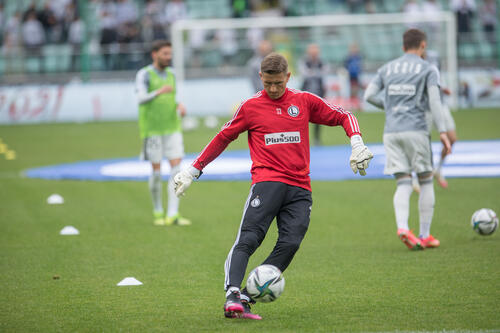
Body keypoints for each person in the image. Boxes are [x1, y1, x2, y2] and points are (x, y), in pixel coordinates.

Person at [173, 53, 373, 319]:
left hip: (300, 188)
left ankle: (246, 296)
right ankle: (232, 294)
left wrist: (356, 142)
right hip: (267, 183)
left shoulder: (303, 101)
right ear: (260, 78)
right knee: (249, 239)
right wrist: (194, 169)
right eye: (268, 84)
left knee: (291, 243)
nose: (274, 89)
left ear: (288, 77)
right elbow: (223, 137)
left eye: (278, 83)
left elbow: (343, 115)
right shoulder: (250, 107)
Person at [364, 29, 451, 251]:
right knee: (425, 180)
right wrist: (442, 131)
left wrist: (392, 108)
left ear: (403, 47)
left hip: (391, 132)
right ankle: (424, 234)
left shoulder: (387, 68)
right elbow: (435, 101)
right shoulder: (428, 68)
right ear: (423, 46)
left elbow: (368, 96)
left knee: (403, 182)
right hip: (416, 130)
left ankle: (403, 227)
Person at [135, 40, 191, 226]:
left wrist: (180, 105)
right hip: (152, 131)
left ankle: (172, 214)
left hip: (172, 128)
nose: (168, 57)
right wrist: (158, 92)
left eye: (170, 54)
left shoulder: (172, 74)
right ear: (155, 54)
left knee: (177, 171)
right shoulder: (144, 74)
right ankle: (158, 210)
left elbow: (174, 98)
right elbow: (141, 99)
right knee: (157, 173)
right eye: (165, 54)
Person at [299, 43, 329, 146]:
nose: (314, 53)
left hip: (319, 92)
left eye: (315, 51)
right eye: (312, 51)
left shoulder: (321, 62)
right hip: (305, 92)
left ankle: (317, 139)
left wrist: (313, 72)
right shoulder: (304, 61)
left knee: (318, 117)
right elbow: (305, 74)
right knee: (302, 117)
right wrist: (316, 73)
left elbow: (324, 72)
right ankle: (302, 139)